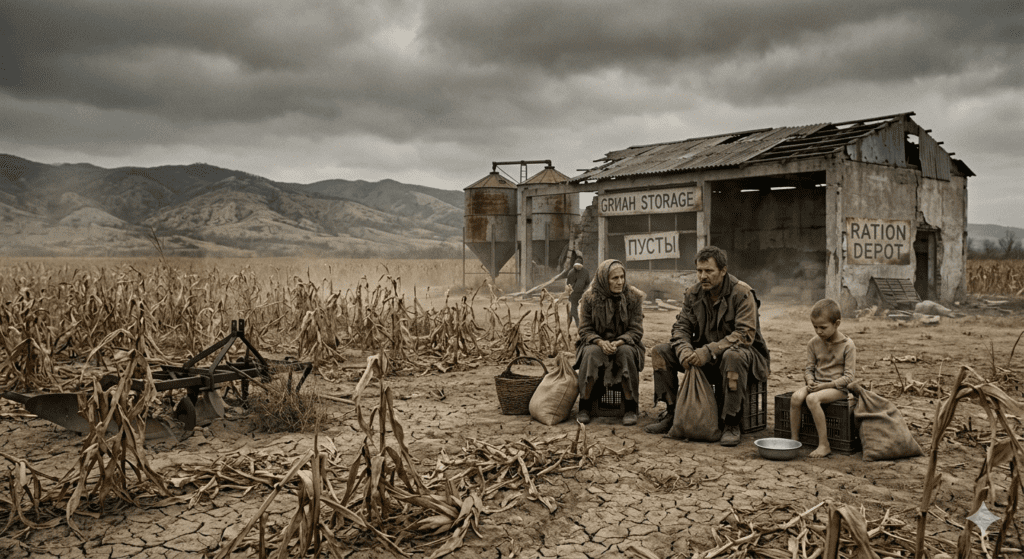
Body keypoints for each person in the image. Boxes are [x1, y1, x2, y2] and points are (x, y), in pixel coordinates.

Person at [644, 246, 770, 446]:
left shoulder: (742, 293)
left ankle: (731, 422)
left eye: (709, 271)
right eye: (699, 271)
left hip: (743, 358)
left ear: (723, 270)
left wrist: (708, 351)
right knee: (660, 352)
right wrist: (685, 351)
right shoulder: (693, 294)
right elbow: (681, 327)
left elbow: (744, 335)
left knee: (733, 356)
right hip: (706, 359)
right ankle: (673, 412)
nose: (703, 276)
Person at [575, 259, 644, 426]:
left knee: (626, 353)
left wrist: (619, 342)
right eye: (614, 278)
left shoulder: (633, 297)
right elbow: (584, 329)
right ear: (603, 279)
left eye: (622, 277)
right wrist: (600, 342)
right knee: (591, 353)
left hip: (625, 343)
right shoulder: (589, 298)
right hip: (595, 343)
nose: (620, 282)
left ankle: (630, 407)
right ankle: (584, 405)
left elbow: (636, 330)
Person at [790, 298, 855, 458]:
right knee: (795, 398)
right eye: (815, 327)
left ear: (837, 323)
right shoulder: (813, 343)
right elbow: (809, 369)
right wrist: (810, 380)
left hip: (837, 389)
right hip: (817, 385)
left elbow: (849, 378)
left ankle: (824, 444)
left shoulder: (848, 345)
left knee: (812, 399)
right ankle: (794, 440)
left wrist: (825, 386)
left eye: (823, 327)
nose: (819, 331)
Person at [566, 255, 590, 327]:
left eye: (579, 266)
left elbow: (588, 283)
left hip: (582, 293)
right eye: (576, 266)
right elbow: (568, 284)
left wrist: (585, 290)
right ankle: (577, 323)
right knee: (574, 308)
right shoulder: (571, 273)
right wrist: (570, 291)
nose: (577, 268)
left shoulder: (585, 272)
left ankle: (572, 321)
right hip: (573, 294)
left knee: (583, 309)